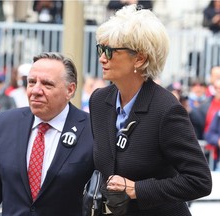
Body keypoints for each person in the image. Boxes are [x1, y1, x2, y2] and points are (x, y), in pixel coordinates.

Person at [89, 4, 212, 215]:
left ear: (140, 58)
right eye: (101, 49)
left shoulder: (167, 110)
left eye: (110, 51)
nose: (102, 57)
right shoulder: (99, 101)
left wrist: (137, 189)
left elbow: (199, 180)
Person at [0, 52, 94, 215]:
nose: (36, 90)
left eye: (47, 84)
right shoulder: (4, 124)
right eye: (32, 82)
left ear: (70, 90)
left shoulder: (92, 129)